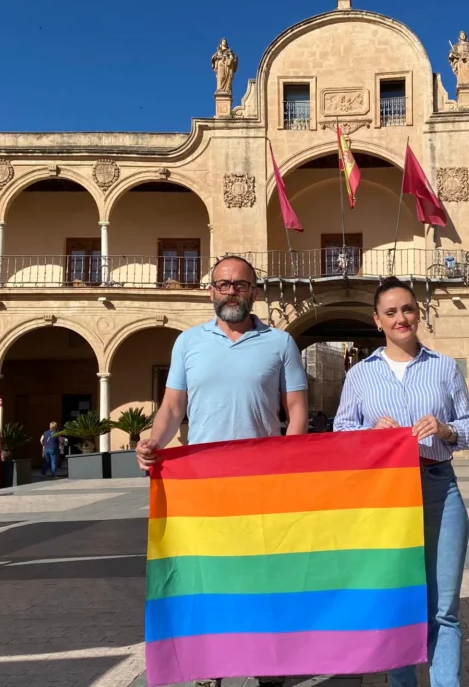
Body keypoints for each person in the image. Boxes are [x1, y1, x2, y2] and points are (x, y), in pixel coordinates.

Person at [136, 254, 309, 687]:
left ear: (255, 291)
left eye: (241, 284)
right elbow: (173, 407)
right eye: (223, 284)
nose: (231, 291)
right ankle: (210, 663)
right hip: (203, 484)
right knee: (208, 575)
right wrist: (153, 440)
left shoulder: (280, 343)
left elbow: (297, 410)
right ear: (211, 291)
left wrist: (291, 464)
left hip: (262, 483)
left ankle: (267, 663)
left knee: (263, 574)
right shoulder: (188, 343)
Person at [333, 276, 469, 687]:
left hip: (438, 486)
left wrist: (445, 429)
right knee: (401, 604)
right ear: (377, 320)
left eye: (408, 309)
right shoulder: (360, 375)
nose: (402, 318)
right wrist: (370, 433)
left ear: (418, 314)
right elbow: (342, 433)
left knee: (443, 607)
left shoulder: (444, 367)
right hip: (386, 497)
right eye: (392, 312)